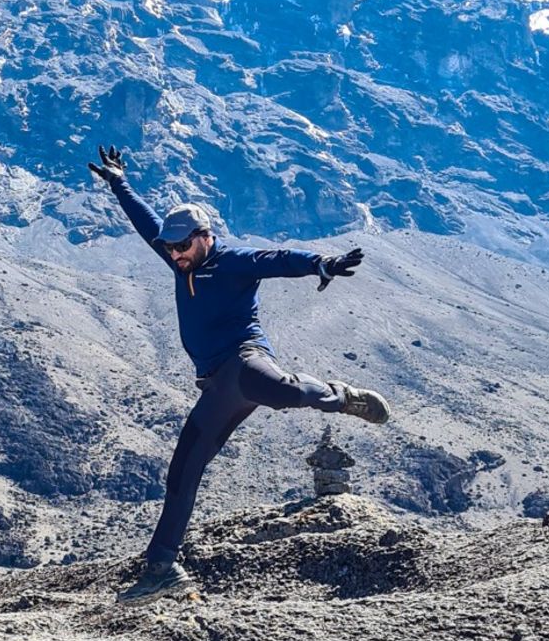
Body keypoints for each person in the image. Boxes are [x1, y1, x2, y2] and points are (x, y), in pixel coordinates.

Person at [89, 144, 391, 603]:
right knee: (183, 472)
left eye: (182, 245)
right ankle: (162, 570)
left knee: (283, 392)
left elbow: (276, 259)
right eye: (169, 247)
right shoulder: (179, 257)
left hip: (245, 359)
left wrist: (320, 264)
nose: (174, 254)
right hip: (216, 386)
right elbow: (144, 220)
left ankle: (340, 396)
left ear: (205, 236)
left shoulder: (229, 259)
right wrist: (117, 181)